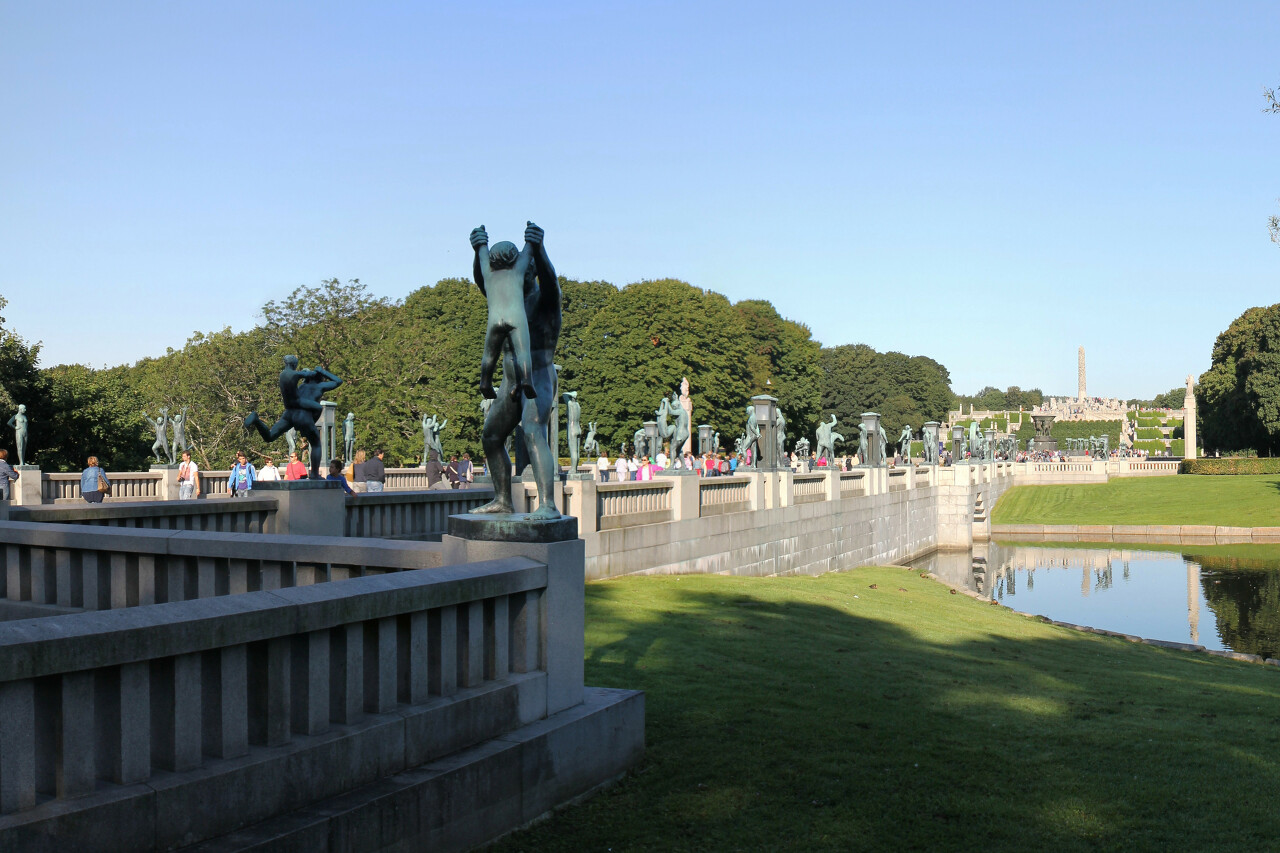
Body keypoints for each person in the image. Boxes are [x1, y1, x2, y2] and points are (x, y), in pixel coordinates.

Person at [470, 224, 538, 401]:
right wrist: (530, 235)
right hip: (515, 318)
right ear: (515, 258)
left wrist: (481, 242)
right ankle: (527, 381)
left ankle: (485, 382)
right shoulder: (518, 271)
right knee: (523, 351)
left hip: (494, 320)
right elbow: (529, 250)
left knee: (490, 354)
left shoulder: (487, 273)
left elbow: (482, 253)